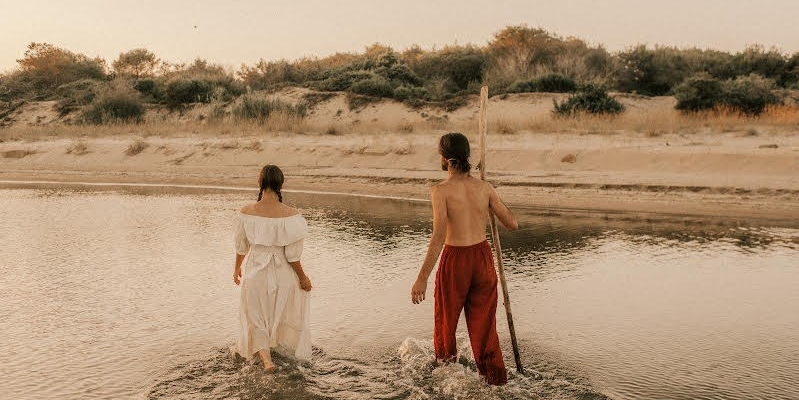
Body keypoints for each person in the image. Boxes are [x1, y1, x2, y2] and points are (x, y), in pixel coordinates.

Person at [410, 133, 518, 386]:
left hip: (455, 259)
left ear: (446, 159)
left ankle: (446, 376)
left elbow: (438, 238)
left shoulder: (440, 191)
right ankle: (494, 380)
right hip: (482, 258)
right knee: (485, 325)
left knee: (446, 323)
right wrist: (491, 194)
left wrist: (421, 278)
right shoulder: (485, 187)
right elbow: (512, 223)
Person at [233, 164, 313, 371]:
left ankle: (266, 360)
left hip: (255, 273)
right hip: (283, 274)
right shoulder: (292, 215)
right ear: (281, 184)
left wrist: (236, 269)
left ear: (259, 183)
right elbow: (292, 256)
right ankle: (279, 355)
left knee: (256, 317)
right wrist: (303, 278)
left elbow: (241, 247)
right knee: (277, 316)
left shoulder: (246, 212)